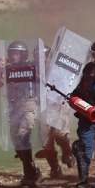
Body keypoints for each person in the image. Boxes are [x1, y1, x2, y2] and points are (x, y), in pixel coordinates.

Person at [0, 40, 44, 186]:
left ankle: (28, 175)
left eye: (17, 53)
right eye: (11, 53)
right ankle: (33, 170)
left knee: (23, 135)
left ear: (23, 54)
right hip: (14, 108)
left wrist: (38, 76)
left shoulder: (32, 66)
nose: (13, 56)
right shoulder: (6, 70)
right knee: (17, 143)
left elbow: (44, 78)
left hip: (29, 103)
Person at [33, 44, 75, 178]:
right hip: (42, 108)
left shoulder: (57, 69)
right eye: (36, 56)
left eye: (42, 56)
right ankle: (55, 168)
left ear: (47, 56)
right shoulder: (32, 70)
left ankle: (68, 152)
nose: (39, 58)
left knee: (59, 134)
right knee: (46, 142)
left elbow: (67, 84)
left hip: (57, 106)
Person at [69, 38, 95, 188]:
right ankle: (83, 180)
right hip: (87, 115)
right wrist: (74, 95)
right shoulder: (89, 68)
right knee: (84, 145)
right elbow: (83, 86)